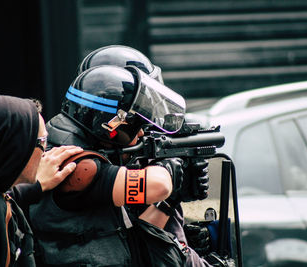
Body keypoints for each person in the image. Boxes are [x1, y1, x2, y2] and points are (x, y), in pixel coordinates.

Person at [29, 62, 212, 266]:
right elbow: (158, 185)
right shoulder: (76, 166)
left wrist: (169, 203)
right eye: (136, 127)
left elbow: (140, 236)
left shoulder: (78, 144)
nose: (142, 133)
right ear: (112, 125)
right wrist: (170, 167)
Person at [79, 45, 217, 265]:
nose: (144, 128)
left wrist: (174, 215)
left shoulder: (128, 155)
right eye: (143, 104)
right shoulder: (88, 164)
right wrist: (167, 184)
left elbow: (146, 235)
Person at [0, 95, 83, 266]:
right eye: (42, 141)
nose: (46, 151)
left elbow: (3, 194)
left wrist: (37, 186)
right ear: (18, 148)